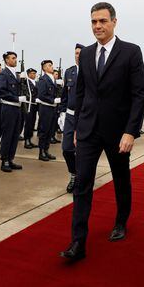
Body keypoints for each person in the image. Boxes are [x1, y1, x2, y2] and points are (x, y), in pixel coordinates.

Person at [60, 2, 144, 260]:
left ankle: (121, 221)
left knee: (121, 179)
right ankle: (78, 242)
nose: (97, 26)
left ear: (114, 22)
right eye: (93, 22)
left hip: (118, 133)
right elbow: (81, 93)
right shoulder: (86, 54)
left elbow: (138, 94)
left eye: (102, 21)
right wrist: (75, 127)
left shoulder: (131, 52)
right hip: (88, 131)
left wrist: (131, 131)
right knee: (82, 182)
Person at [59, 43, 84, 193]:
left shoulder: (92, 71)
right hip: (70, 115)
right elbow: (64, 95)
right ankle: (73, 174)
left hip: (85, 117)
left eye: (80, 53)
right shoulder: (69, 72)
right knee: (67, 149)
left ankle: (83, 177)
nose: (78, 55)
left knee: (83, 150)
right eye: (76, 53)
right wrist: (62, 112)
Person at [0, 51, 26, 172]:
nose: (15, 60)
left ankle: (10, 158)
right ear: (6, 60)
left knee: (15, 135)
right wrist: (16, 98)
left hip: (17, 108)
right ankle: (5, 161)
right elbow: (2, 92)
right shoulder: (4, 74)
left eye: (16, 58)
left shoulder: (17, 74)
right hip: (9, 107)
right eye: (13, 58)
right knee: (8, 135)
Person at [37, 60, 61, 161]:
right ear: (44, 68)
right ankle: (41, 152)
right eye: (49, 65)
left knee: (50, 130)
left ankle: (46, 150)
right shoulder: (43, 79)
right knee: (44, 131)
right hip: (46, 108)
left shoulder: (52, 79)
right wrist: (53, 100)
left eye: (52, 65)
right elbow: (41, 95)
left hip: (53, 108)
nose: (52, 67)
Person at [23, 68, 39, 149]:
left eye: (34, 73)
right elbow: (26, 93)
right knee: (28, 123)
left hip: (35, 105)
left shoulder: (36, 82)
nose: (33, 75)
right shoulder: (26, 82)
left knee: (32, 123)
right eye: (32, 73)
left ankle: (30, 139)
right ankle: (26, 141)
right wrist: (33, 99)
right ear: (28, 74)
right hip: (29, 105)